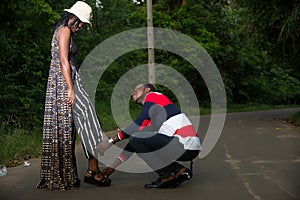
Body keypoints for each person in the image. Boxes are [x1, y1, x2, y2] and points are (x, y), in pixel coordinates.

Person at [37, 1, 109, 191]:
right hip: (64, 83)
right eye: (82, 23)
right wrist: (70, 87)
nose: (82, 26)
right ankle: (90, 170)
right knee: (81, 121)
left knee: (69, 126)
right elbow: (63, 59)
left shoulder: (61, 30)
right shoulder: (64, 30)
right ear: (74, 18)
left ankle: (90, 169)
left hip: (66, 81)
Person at [98, 83, 202, 189]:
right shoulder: (155, 117)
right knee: (137, 141)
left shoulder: (154, 96)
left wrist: (111, 141)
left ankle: (167, 176)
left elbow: (137, 124)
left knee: (137, 138)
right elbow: (132, 144)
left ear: (147, 90)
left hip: (183, 144)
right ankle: (178, 170)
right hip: (188, 148)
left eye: (136, 89)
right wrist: (112, 168)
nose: (132, 93)